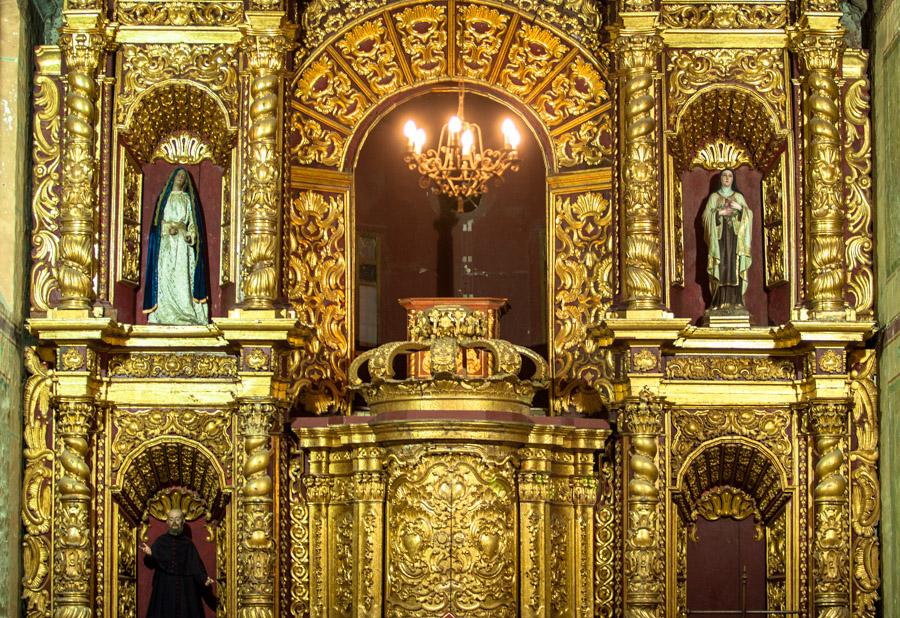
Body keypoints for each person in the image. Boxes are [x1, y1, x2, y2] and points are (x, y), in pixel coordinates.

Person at [143, 167, 210, 324]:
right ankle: (164, 313)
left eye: (183, 176)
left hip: (182, 245)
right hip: (166, 244)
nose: (180, 178)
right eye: (178, 175)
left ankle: (185, 310)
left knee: (182, 278)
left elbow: (193, 224)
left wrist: (189, 235)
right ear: (172, 178)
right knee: (165, 276)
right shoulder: (163, 198)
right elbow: (157, 223)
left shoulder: (187, 198)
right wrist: (167, 228)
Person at [140, 508, 215, 618]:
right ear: (167, 522)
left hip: (186, 591)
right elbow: (150, 565)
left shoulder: (188, 544)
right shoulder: (160, 541)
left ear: (183, 521)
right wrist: (150, 555)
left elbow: (196, 566)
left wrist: (204, 579)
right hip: (165, 589)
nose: (174, 522)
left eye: (177, 519)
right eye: (171, 519)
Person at [702, 168, 753, 309]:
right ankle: (719, 301)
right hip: (719, 240)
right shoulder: (713, 197)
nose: (727, 178)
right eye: (724, 175)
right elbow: (705, 217)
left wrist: (741, 209)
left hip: (736, 239)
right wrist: (719, 213)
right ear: (720, 179)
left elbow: (749, 216)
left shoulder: (739, 197)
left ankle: (736, 301)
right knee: (722, 266)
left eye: (730, 176)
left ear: (733, 179)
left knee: (734, 266)